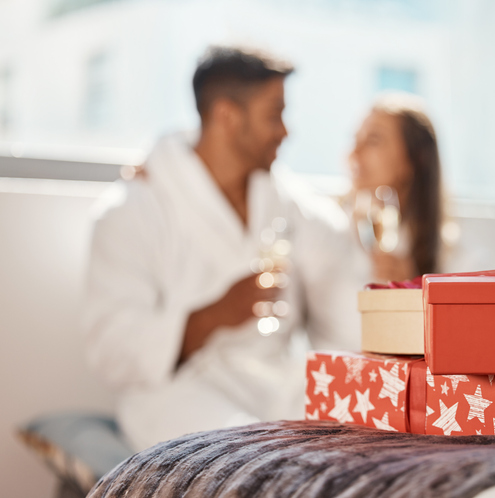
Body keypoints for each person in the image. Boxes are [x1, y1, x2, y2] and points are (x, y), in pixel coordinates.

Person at [83, 46, 358, 452]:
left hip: (274, 385)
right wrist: (215, 314)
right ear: (227, 116)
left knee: (355, 438)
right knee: (251, 456)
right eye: (274, 114)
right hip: (180, 393)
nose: (286, 130)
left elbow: (345, 309)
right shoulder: (132, 209)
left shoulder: (289, 202)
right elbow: (112, 348)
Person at [346, 93, 444, 284]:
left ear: (414, 159)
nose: (354, 152)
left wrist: (411, 290)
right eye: (355, 140)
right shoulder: (330, 231)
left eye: (373, 140)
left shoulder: (457, 258)